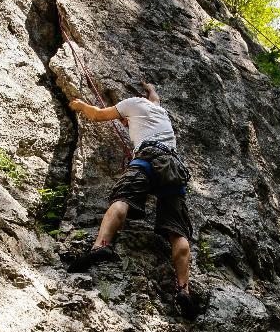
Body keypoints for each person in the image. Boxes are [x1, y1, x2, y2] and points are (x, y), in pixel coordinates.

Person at [67, 82, 195, 318]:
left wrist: (80, 105)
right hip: (172, 167)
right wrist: (152, 87)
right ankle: (183, 290)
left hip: (147, 159)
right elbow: (155, 98)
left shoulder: (131, 104)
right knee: (178, 230)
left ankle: (100, 247)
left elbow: (96, 115)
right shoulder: (160, 111)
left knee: (122, 198)